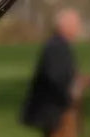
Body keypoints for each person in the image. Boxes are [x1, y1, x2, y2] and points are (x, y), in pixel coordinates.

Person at [22, 9, 85, 137]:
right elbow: (55, 77)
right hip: (57, 110)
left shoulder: (60, 44)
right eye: (76, 25)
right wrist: (73, 89)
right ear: (65, 27)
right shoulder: (57, 46)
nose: (78, 29)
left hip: (58, 109)